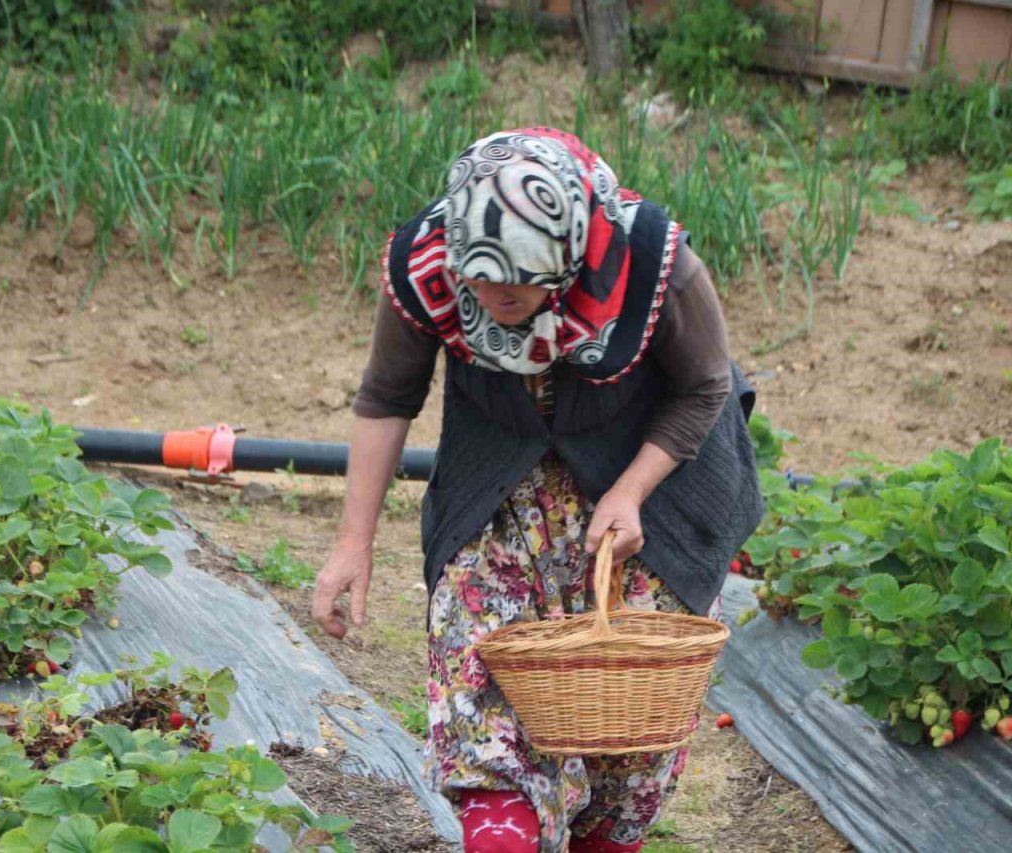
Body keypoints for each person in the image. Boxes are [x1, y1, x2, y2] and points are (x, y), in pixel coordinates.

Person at [312, 127, 762, 853]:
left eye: (516, 283)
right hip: (500, 484)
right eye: (479, 280)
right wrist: (351, 542)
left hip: (656, 480)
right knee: (483, 686)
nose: (494, 297)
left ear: (567, 254)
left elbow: (705, 386)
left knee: (628, 729)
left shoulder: (651, 260)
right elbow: (388, 396)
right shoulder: (425, 260)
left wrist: (632, 490)